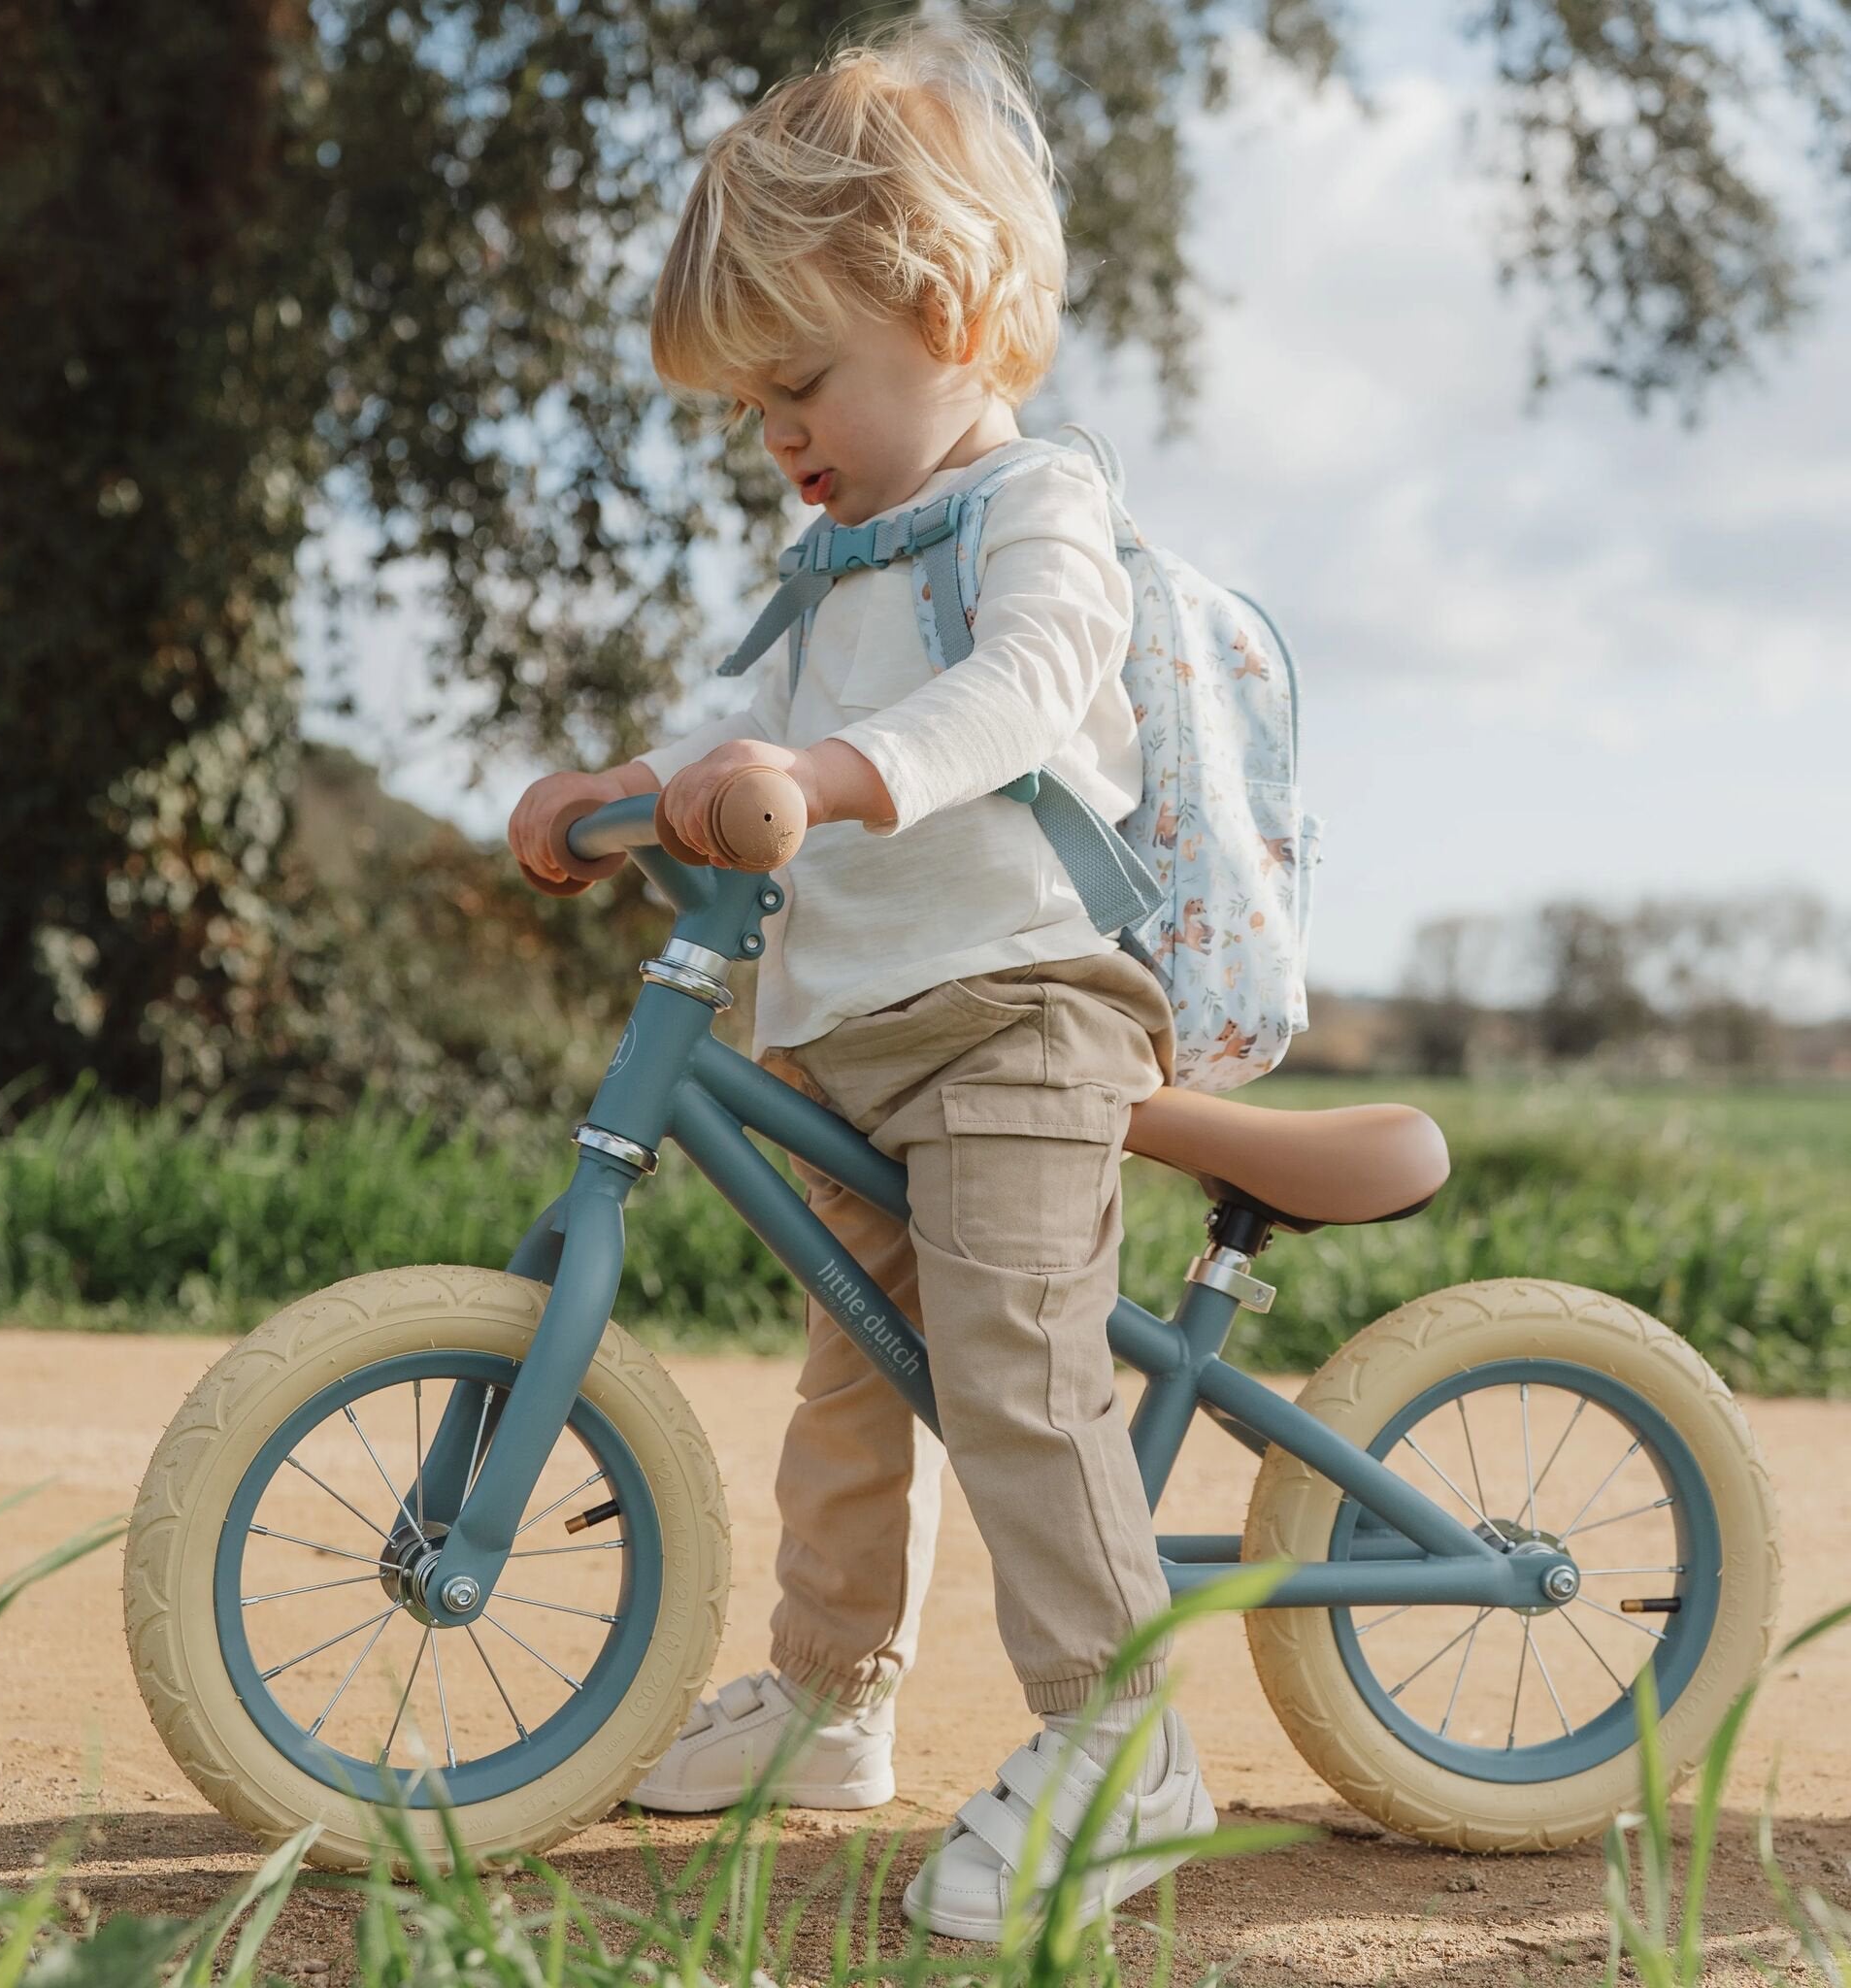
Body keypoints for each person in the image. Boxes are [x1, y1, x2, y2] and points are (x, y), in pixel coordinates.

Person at [507, 15, 1213, 1940]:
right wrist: (622, 791)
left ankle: (1120, 1747)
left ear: (941, 309)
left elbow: (1021, 689)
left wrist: (826, 778)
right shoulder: (824, 562)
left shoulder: (1033, 505)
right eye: (753, 406)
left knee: (1013, 1372)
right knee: (847, 1389)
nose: (778, 435)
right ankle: (833, 1699)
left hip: (1017, 1012)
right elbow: (730, 718)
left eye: (798, 380)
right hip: (849, 1035)